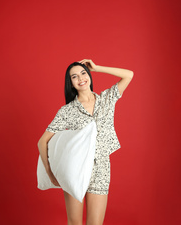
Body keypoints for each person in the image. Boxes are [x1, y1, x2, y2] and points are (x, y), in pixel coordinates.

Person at [37, 59, 134, 225]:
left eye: (83, 73)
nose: (80, 78)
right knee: (74, 222)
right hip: (75, 166)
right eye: (74, 76)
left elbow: (129, 75)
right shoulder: (67, 111)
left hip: (101, 168)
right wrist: (50, 172)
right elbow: (42, 141)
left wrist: (97, 68)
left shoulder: (106, 100)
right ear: (71, 83)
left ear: (89, 75)